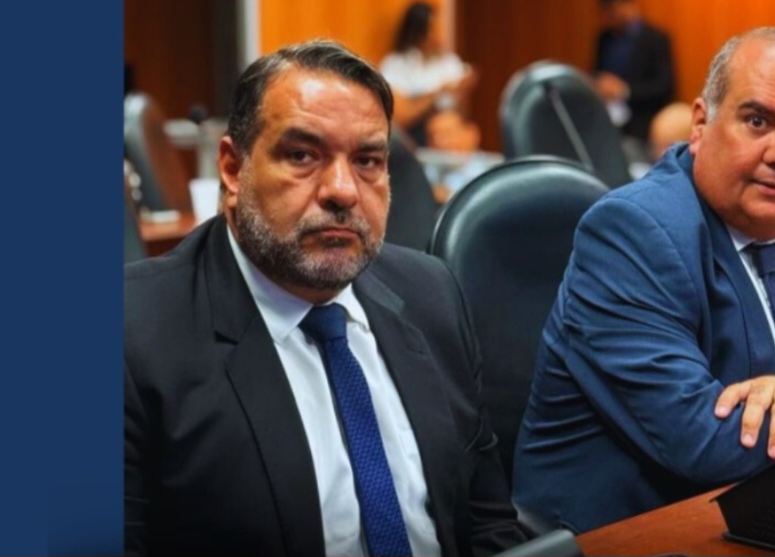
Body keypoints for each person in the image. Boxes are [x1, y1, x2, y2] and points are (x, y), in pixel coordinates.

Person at [124, 39, 532, 556]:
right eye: (302, 155)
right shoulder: (131, 336)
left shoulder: (432, 294)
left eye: (367, 160)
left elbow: (487, 522)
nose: (343, 190)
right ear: (232, 168)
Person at [513, 27, 775, 533]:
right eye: (757, 121)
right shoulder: (631, 235)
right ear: (701, 124)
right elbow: (706, 441)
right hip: (638, 535)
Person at [592, 0, 676, 145]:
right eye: (606, 11)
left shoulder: (655, 38)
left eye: (615, 9)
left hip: (643, 127)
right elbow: (597, 71)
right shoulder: (604, 38)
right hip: (607, 125)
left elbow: (664, 86)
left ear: (630, 2)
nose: (611, 16)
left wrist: (624, 90)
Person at [380, 0, 477, 144]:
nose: (442, 34)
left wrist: (463, 91)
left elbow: (461, 114)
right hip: (412, 138)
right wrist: (439, 92)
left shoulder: (450, 62)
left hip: (447, 137)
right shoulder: (396, 65)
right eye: (436, 29)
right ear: (420, 32)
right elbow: (401, 116)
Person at [423, 109, 499, 203]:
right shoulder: (426, 172)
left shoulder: (494, 172)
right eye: (434, 136)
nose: (441, 143)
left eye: (448, 133)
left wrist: (449, 196)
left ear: (472, 133)